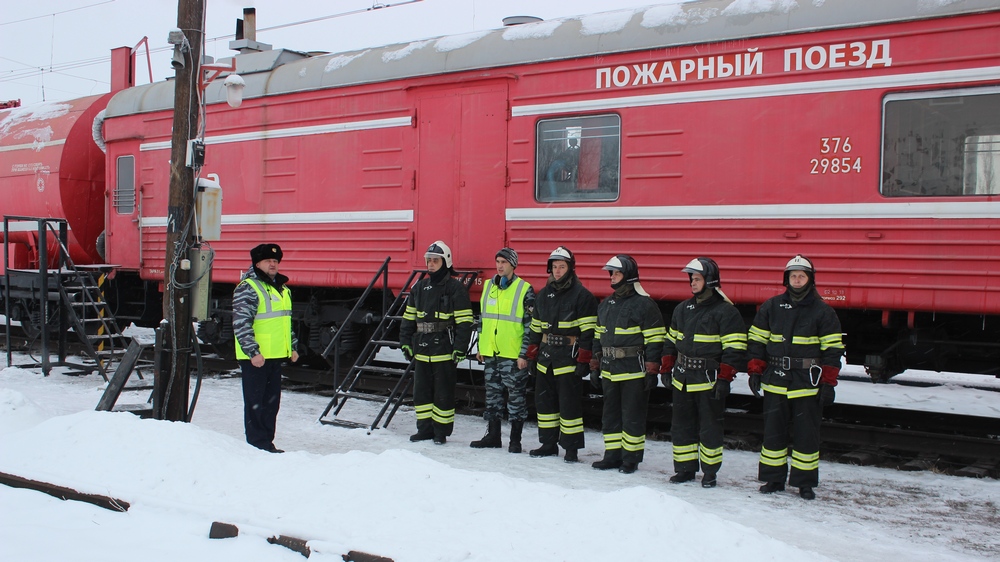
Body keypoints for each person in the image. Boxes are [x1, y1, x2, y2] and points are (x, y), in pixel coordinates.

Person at [747, 255, 845, 500]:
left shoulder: (823, 311)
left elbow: (833, 350)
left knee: (806, 436)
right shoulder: (771, 306)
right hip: (776, 381)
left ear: (810, 279)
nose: (797, 280)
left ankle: (804, 483)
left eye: (802, 276)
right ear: (786, 279)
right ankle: (774, 479)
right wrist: (755, 371)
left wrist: (828, 383)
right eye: (793, 276)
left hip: (806, 383)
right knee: (773, 433)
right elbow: (757, 341)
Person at [660, 257, 747, 487]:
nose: (693, 283)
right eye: (692, 279)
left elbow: (734, 348)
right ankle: (685, 469)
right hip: (683, 380)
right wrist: (667, 368)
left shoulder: (725, 312)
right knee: (681, 427)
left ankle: (710, 472)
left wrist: (725, 378)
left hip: (708, 381)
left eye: (697, 279)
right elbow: (670, 341)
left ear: (710, 280)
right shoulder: (682, 308)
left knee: (710, 428)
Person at [590, 255, 665, 474]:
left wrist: (652, 370)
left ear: (629, 275)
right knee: (610, 415)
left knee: (632, 417)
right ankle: (612, 455)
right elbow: (598, 336)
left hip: (634, 371)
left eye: (616, 273)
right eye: (611, 273)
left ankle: (630, 459)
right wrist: (595, 366)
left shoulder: (645, 305)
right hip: (611, 372)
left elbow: (655, 339)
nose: (612, 277)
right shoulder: (606, 305)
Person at [525, 246, 598, 462]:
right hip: (545, 359)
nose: (557, 271)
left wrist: (583, 360)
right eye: (554, 267)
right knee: (545, 405)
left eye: (561, 267)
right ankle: (548, 444)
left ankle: (571, 448)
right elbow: (536, 329)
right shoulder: (544, 295)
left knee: (569, 406)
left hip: (568, 359)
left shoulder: (582, 296)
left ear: (570, 268)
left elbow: (588, 333)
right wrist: (532, 355)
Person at [399, 241, 474, 445]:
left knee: (443, 394)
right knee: (421, 393)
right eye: (429, 260)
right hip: (422, 348)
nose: (431, 264)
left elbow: (464, 322)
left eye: (435, 261)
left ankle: (440, 432)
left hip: (444, 349)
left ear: (446, 262)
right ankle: (424, 429)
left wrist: (460, 348)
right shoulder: (419, 288)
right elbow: (408, 319)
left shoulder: (455, 289)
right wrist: (405, 342)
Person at [233, 243, 299, 453]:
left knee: (271, 404)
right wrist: (253, 352)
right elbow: (241, 323)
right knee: (256, 404)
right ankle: (257, 445)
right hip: (257, 358)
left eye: (275, 261)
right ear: (257, 263)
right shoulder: (249, 287)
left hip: (275, 356)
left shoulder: (281, 289)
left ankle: (266, 444)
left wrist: (293, 347)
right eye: (268, 261)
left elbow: (284, 322)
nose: (273, 264)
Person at [471, 247, 536, 453]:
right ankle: (493, 436)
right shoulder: (489, 286)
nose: (499, 266)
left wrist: (524, 353)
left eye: (504, 262)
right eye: (497, 261)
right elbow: (483, 319)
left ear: (513, 265)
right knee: (492, 397)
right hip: (491, 353)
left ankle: (515, 441)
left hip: (513, 355)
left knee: (516, 399)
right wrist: (481, 347)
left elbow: (530, 326)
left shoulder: (524, 289)